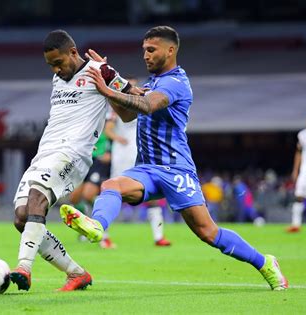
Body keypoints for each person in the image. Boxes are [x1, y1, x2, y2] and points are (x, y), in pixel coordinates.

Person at [60, 26, 288, 290]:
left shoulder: (176, 83)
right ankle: (97, 226)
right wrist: (108, 82)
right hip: (146, 168)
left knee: (208, 233)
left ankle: (265, 262)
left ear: (171, 50)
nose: (145, 55)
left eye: (151, 50)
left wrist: (109, 89)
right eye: (144, 50)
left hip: (175, 170)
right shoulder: (153, 83)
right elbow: (127, 115)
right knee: (111, 185)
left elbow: (147, 105)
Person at [10, 29, 142, 291]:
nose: (55, 70)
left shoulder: (100, 71)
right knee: (22, 217)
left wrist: (109, 90)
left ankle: (23, 267)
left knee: (37, 197)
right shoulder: (58, 79)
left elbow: (131, 113)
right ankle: (76, 273)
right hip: (45, 152)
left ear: (73, 52)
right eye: (50, 66)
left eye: (58, 63)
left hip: (73, 153)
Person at [105, 80, 171, 246]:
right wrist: (120, 139)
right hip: (123, 155)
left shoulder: (143, 104)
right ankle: (103, 235)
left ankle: (158, 236)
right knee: (115, 193)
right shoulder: (118, 105)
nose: (133, 89)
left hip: (141, 153)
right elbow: (108, 129)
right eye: (129, 86)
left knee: (151, 194)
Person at [69, 131, 116, 248]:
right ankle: (85, 228)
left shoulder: (102, 128)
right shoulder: (81, 126)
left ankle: (104, 234)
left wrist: (108, 153)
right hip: (82, 162)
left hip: (97, 163)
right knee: (74, 197)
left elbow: (108, 148)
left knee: (88, 195)